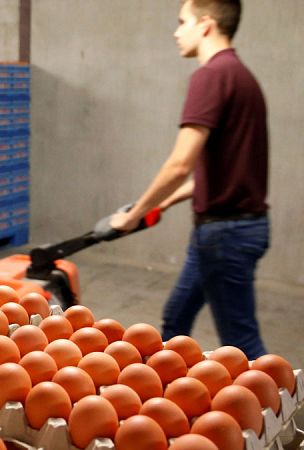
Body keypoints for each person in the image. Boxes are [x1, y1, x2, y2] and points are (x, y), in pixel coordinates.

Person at [109, 0, 269, 359]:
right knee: (176, 318)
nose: (176, 32)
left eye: (183, 22)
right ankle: (166, 385)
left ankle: (283, 397)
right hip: (224, 230)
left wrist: (134, 215)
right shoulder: (241, 76)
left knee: (242, 345)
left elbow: (181, 163)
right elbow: (220, 172)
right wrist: (164, 202)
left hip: (225, 234)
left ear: (206, 25)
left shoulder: (210, 76)